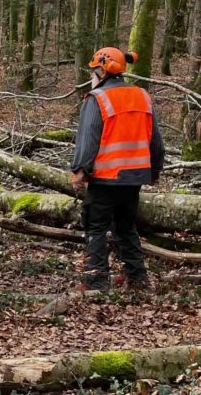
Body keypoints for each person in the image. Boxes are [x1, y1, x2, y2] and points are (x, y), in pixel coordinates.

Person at [71, 47, 165, 291]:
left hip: (105, 177)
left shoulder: (98, 98)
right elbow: (156, 139)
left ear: (103, 70)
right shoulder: (142, 96)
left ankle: (95, 280)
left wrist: (80, 171)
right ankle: (138, 279)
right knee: (126, 227)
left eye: (93, 71)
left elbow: (88, 137)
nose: (91, 77)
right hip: (134, 177)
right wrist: (155, 169)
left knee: (96, 227)